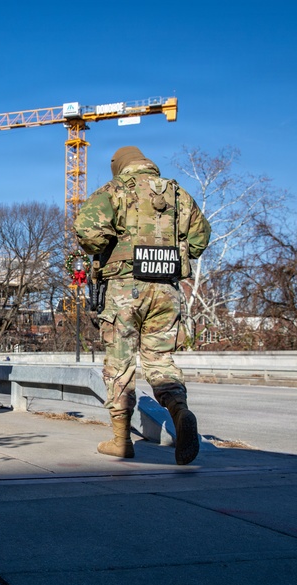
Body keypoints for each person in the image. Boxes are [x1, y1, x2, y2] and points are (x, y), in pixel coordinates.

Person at [74, 146, 211, 464]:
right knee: (160, 363)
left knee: (120, 365)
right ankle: (180, 412)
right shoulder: (178, 194)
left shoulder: (116, 190)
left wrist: (109, 243)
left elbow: (86, 230)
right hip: (166, 291)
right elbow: (200, 237)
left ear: (119, 167)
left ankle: (121, 440)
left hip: (125, 289)